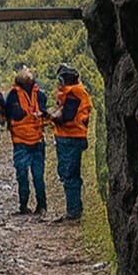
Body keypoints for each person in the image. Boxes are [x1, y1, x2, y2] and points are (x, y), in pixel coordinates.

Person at [0, 65, 48, 216]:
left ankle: (24, 206)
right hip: (37, 140)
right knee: (38, 176)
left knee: (22, 175)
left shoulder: (13, 94)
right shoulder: (40, 94)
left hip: (21, 141)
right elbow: (44, 112)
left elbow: (10, 113)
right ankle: (42, 206)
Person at [49, 63, 93, 221]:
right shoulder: (76, 93)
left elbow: (67, 116)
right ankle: (74, 209)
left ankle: (73, 212)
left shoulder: (73, 94)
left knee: (69, 174)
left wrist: (51, 117)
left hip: (70, 137)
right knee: (68, 173)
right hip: (71, 137)